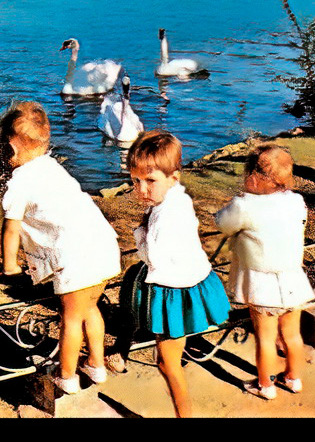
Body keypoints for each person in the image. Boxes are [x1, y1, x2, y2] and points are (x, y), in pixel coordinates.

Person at [0, 102, 122, 395]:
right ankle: (96, 365)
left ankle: (66, 375)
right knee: (90, 309)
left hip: (76, 258)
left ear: (11, 148)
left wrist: (10, 265)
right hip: (103, 246)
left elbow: (11, 227)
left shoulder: (20, 182)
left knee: (70, 319)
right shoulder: (54, 169)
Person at [121, 131, 230, 418]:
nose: (142, 189)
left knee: (167, 363)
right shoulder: (178, 198)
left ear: (173, 177)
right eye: (135, 181)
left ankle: (184, 415)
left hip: (173, 292)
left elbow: (152, 258)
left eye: (150, 181)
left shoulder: (162, 216)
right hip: (191, 281)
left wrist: (140, 232)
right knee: (170, 357)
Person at [215, 143, 315, 400]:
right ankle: (293, 379)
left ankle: (265, 385)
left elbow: (222, 223)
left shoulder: (244, 205)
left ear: (253, 176)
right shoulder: (295, 201)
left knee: (266, 338)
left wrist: (239, 199)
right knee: (292, 335)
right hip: (292, 279)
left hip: (262, 284)